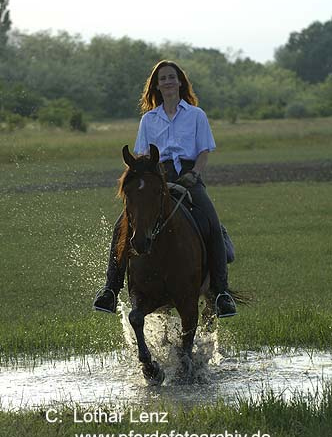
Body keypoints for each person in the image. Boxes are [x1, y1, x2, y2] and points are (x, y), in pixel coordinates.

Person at [93, 60, 237, 318]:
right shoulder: (149, 119)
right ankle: (110, 290)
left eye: (172, 77)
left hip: (189, 177)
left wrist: (194, 174)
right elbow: (142, 155)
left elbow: (204, 150)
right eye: (163, 78)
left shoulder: (196, 115)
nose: (168, 82)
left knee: (212, 225)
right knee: (121, 227)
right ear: (156, 86)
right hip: (157, 177)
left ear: (180, 81)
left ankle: (222, 293)